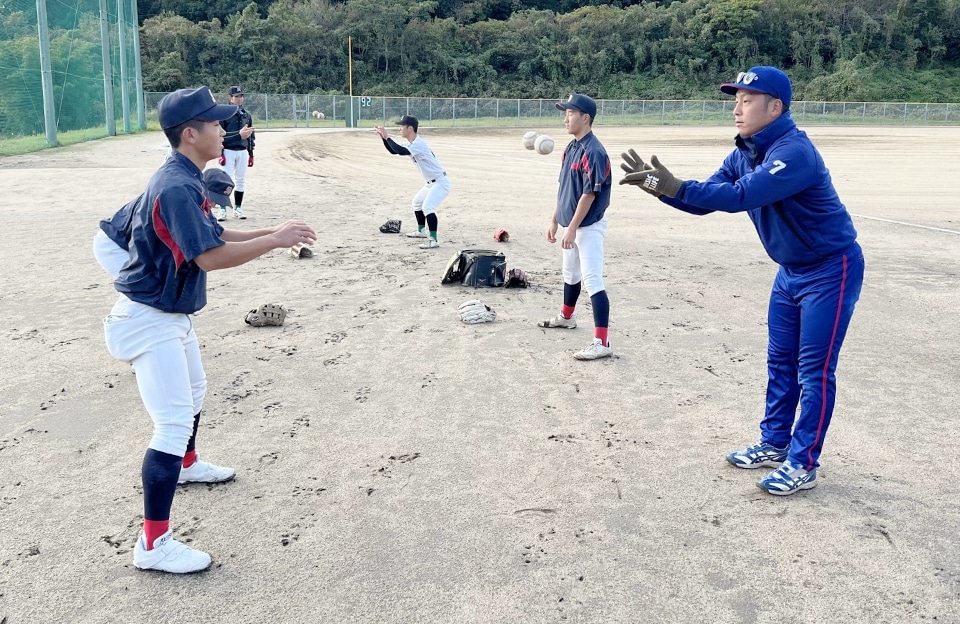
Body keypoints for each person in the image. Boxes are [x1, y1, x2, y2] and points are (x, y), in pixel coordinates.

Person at [620, 66, 864, 496]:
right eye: (735, 99)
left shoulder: (794, 152)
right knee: (779, 362)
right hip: (790, 272)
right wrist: (661, 187)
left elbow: (738, 197)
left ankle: (803, 463)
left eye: (747, 100)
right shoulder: (745, 152)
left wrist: (675, 185)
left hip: (830, 269)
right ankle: (774, 442)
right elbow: (703, 202)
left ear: (775, 107)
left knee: (815, 372)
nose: (736, 108)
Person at [102, 86, 316, 573]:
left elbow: (213, 234)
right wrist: (273, 242)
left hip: (168, 313)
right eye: (216, 123)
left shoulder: (187, 177)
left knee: (195, 391)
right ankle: (152, 545)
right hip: (148, 318)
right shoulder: (177, 185)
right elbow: (209, 256)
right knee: (172, 422)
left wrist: (270, 234)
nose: (226, 129)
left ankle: (188, 464)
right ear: (190, 133)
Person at [538, 93, 614, 361]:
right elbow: (564, 189)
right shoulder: (571, 147)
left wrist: (571, 228)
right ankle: (567, 317)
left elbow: (589, 194)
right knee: (570, 274)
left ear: (586, 118)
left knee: (592, 279)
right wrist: (555, 220)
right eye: (565, 112)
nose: (566, 118)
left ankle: (602, 342)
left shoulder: (594, 151)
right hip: (571, 223)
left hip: (588, 226)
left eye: (570, 113)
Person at [93, 169, 237, 279]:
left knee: (148, 292)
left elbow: (220, 233)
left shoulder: (198, 202)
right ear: (201, 186)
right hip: (114, 244)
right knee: (143, 289)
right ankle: (117, 319)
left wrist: (260, 236)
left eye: (218, 201)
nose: (213, 204)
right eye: (213, 197)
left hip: (133, 245)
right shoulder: (184, 199)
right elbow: (207, 259)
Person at [373, 116, 450, 249]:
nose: (400, 128)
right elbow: (394, 151)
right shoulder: (411, 143)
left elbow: (400, 151)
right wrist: (384, 138)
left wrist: (387, 137)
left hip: (441, 182)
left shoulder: (419, 144)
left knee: (427, 207)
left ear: (410, 128)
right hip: (431, 183)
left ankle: (434, 240)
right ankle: (421, 231)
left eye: (402, 126)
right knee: (417, 202)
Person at [217, 85, 255, 221]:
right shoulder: (224, 114)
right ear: (230, 98)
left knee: (240, 180)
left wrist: (251, 154)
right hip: (228, 150)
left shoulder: (246, 114)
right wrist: (220, 152)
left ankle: (238, 208)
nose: (239, 99)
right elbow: (220, 135)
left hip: (242, 151)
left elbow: (251, 135)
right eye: (236, 96)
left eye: (241, 96)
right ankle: (222, 209)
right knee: (226, 180)